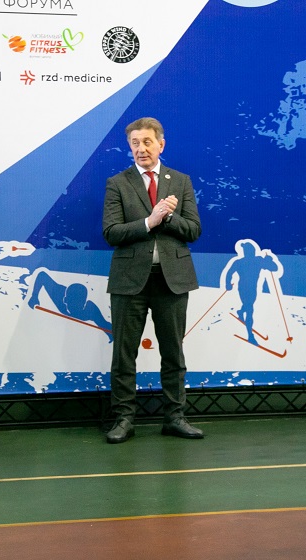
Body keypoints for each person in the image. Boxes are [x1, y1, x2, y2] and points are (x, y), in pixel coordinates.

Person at [102, 117, 203, 444]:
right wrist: (150, 220)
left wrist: (168, 216)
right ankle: (123, 418)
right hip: (129, 280)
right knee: (124, 353)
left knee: (173, 352)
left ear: (161, 144)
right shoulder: (117, 183)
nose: (141, 148)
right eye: (135, 143)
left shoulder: (181, 181)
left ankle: (175, 417)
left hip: (172, 280)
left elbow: (193, 230)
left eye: (147, 142)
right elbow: (111, 232)